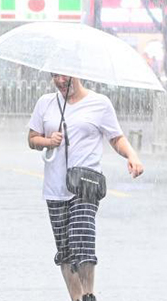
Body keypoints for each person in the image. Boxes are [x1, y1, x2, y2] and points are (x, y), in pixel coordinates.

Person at [27, 73, 144, 301]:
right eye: (55, 76)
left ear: (77, 74)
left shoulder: (100, 103)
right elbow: (32, 139)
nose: (60, 81)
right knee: (65, 251)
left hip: (86, 184)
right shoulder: (45, 103)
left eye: (64, 77)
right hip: (55, 187)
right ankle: (77, 298)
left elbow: (115, 137)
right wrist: (48, 141)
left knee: (83, 239)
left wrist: (131, 155)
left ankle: (89, 294)